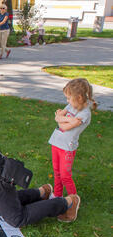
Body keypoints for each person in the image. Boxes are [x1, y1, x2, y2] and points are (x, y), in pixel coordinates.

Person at [48, 78, 97, 222]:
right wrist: (61, 118)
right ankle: (57, 196)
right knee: (56, 172)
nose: (68, 101)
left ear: (79, 97)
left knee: (65, 176)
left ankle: (72, 200)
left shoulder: (85, 113)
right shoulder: (71, 106)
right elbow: (58, 116)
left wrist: (60, 118)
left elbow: (63, 125)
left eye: (69, 98)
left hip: (67, 148)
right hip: (56, 143)